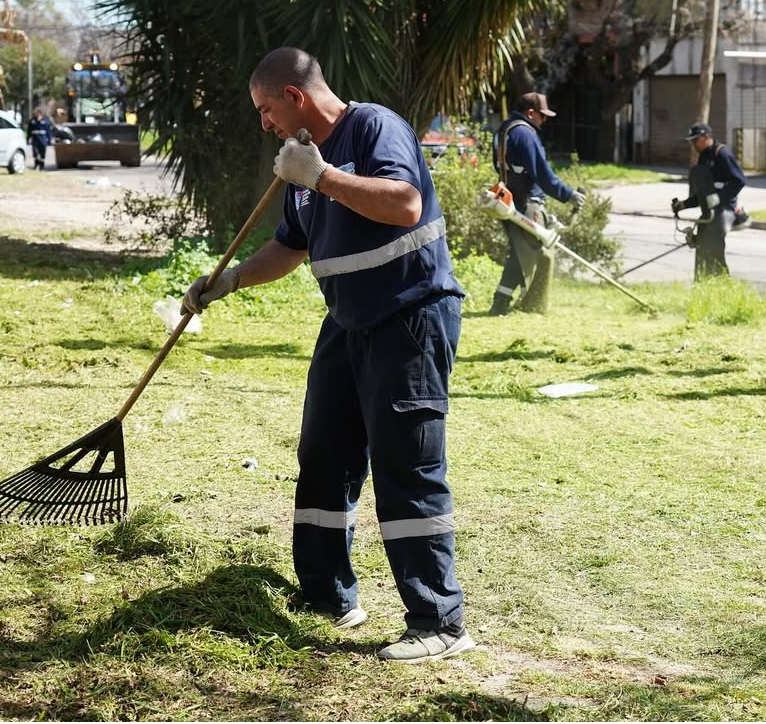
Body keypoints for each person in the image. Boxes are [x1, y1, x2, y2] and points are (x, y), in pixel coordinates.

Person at [181, 47, 474, 664]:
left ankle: (438, 622)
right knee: (323, 456)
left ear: (294, 96)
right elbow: (289, 248)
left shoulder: (372, 128)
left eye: (266, 109)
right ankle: (327, 595)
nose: (264, 124)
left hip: (409, 317)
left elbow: (404, 204)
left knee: (406, 466)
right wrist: (230, 279)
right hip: (347, 322)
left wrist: (321, 177)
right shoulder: (301, 158)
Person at [488, 92, 586, 315]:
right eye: (543, 116)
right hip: (526, 203)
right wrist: (568, 194)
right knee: (532, 252)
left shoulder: (504, 129)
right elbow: (542, 173)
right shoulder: (525, 133)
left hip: (507, 200)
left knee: (521, 252)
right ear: (531, 113)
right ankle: (515, 304)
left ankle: (502, 302)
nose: (544, 121)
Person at [671, 122, 750, 278]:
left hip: (724, 210)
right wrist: (683, 204)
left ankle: (722, 284)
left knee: (713, 250)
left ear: (706, 137)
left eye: (696, 140)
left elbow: (739, 180)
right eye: (692, 141)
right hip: (709, 212)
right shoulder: (703, 157)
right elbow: (703, 193)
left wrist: (719, 197)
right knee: (702, 248)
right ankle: (702, 284)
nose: (693, 144)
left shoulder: (722, 154)